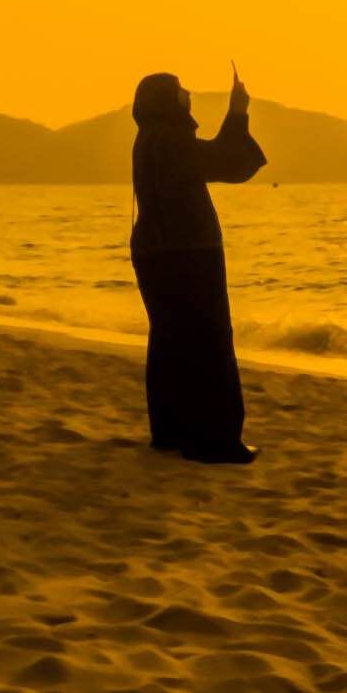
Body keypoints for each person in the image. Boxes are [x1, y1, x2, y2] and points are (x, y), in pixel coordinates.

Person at [129, 69, 266, 462]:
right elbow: (227, 162)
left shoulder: (150, 138)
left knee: (170, 340)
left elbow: (216, 158)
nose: (188, 94)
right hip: (188, 252)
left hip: (155, 252)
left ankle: (170, 431)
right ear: (165, 100)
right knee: (209, 341)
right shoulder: (171, 140)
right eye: (180, 90)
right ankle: (216, 440)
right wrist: (238, 113)